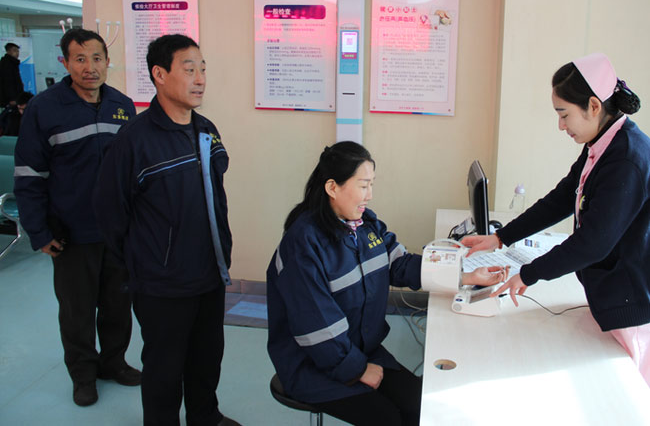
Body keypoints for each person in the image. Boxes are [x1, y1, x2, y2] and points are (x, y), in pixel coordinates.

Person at [267, 141, 506, 426]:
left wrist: (464, 275)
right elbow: (318, 328)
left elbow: (399, 264)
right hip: (313, 365)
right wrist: (357, 370)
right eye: (363, 185)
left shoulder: (365, 225)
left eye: (372, 184)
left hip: (359, 350)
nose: (370, 195)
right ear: (332, 187)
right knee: (389, 419)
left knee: (419, 406)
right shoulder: (303, 244)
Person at [462, 52, 650, 386]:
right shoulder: (602, 142)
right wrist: (501, 237)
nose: (561, 125)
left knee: (628, 394)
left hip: (631, 303)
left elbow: (593, 243)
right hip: (609, 294)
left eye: (564, 114)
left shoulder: (626, 159)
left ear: (593, 105)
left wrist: (529, 274)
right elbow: (563, 197)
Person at [93, 34, 240, 426]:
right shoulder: (134, 141)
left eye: (203, 69)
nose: (200, 79)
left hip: (209, 271)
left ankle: (205, 417)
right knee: (164, 367)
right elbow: (110, 213)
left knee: (207, 357)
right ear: (159, 75)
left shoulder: (206, 129)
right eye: (189, 69)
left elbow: (215, 197)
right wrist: (146, 261)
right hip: (162, 282)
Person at [13, 29, 139, 407]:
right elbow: (29, 175)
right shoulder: (44, 108)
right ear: (65, 63)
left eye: (97, 58)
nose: (90, 67)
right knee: (77, 311)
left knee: (118, 306)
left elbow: (132, 169)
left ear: (107, 61)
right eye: (80, 59)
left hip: (116, 232)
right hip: (71, 232)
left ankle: (113, 363)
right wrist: (38, 231)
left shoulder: (122, 105)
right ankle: (83, 375)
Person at [0, 42, 24, 108]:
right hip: (11, 99)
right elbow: (8, 82)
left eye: (18, 51)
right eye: (14, 50)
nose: (17, 53)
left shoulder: (13, 63)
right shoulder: (7, 64)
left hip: (16, 97)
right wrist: (12, 98)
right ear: (8, 51)